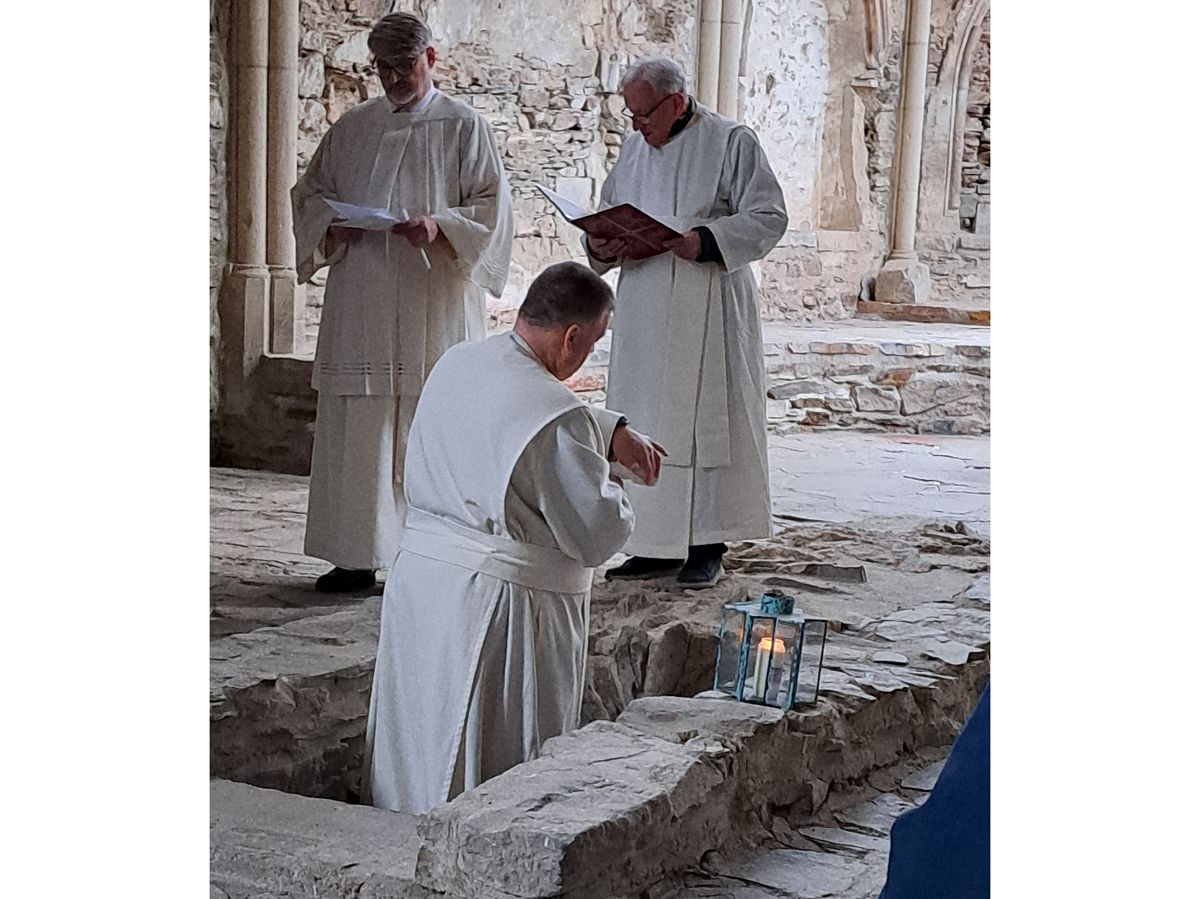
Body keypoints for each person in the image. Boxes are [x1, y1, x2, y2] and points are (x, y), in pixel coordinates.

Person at [364, 261, 665, 815]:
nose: (589, 354)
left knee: (419, 740)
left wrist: (608, 429)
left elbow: (508, 411)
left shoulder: (459, 362)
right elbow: (596, 535)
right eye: (593, 342)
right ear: (571, 337)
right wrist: (615, 481)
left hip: (424, 591)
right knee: (487, 762)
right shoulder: (557, 419)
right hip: (501, 611)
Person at [291, 12, 514, 593]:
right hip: (362, 295)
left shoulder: (463, 126)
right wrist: (332, 225)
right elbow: (310, 194)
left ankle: (430, 555)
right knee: (362, 425)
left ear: (430, 59)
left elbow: (492, 208)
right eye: (382, 68)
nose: (393, 78)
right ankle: (355, 554)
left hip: (431, 297)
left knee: (427, 422)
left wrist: (440, 226)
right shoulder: (353, 127)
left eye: (404, 66)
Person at [585, 55, 788, 588]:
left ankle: (706, 543)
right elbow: (609, 211)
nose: (636, 126)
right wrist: (600, 243)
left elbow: (769, 215)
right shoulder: (634, 149)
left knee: (703, 420)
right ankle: (651, 542)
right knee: (644, 412)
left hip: (708, 301)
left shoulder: (731, 142)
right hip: (645, 305)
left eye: (644, 115)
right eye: (630, 115)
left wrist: (705, 240)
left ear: (675, 103)